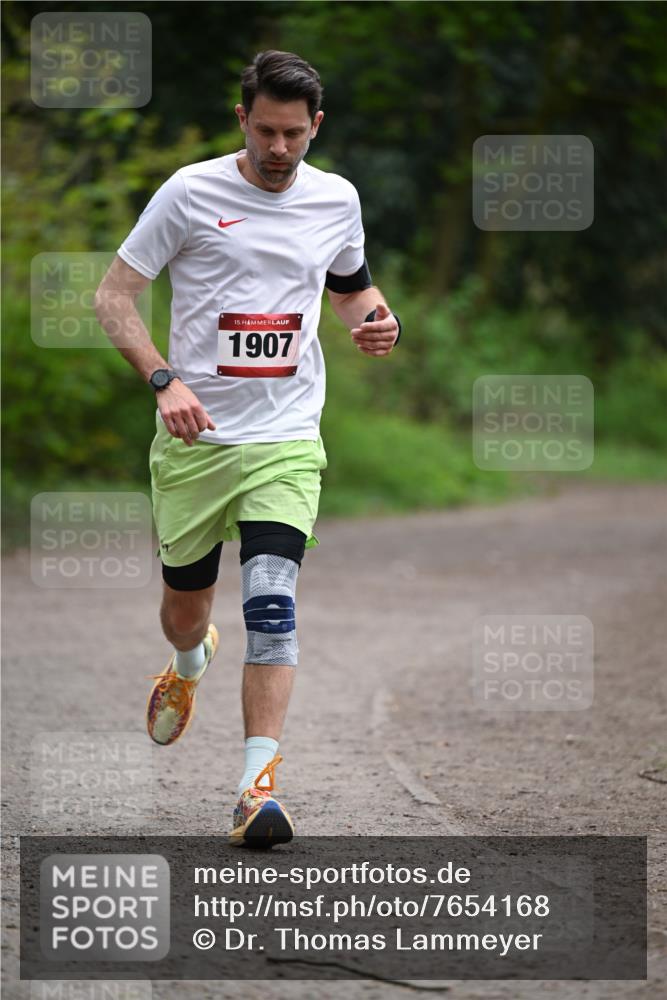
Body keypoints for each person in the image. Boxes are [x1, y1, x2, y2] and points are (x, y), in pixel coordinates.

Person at [95, 50, 401, 847]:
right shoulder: (190, 192)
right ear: (242, 120)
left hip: (286, 438)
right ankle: (189, 662)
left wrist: (375, 319)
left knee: (272, 604)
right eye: (264, 131)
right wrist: (165, 380)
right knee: (183, 613)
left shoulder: (336, 198)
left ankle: (254, 788)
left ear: (315, 128)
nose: (277, 149)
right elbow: (114, 295)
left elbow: (349, 288)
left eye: (293, 134)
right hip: (196, 441)